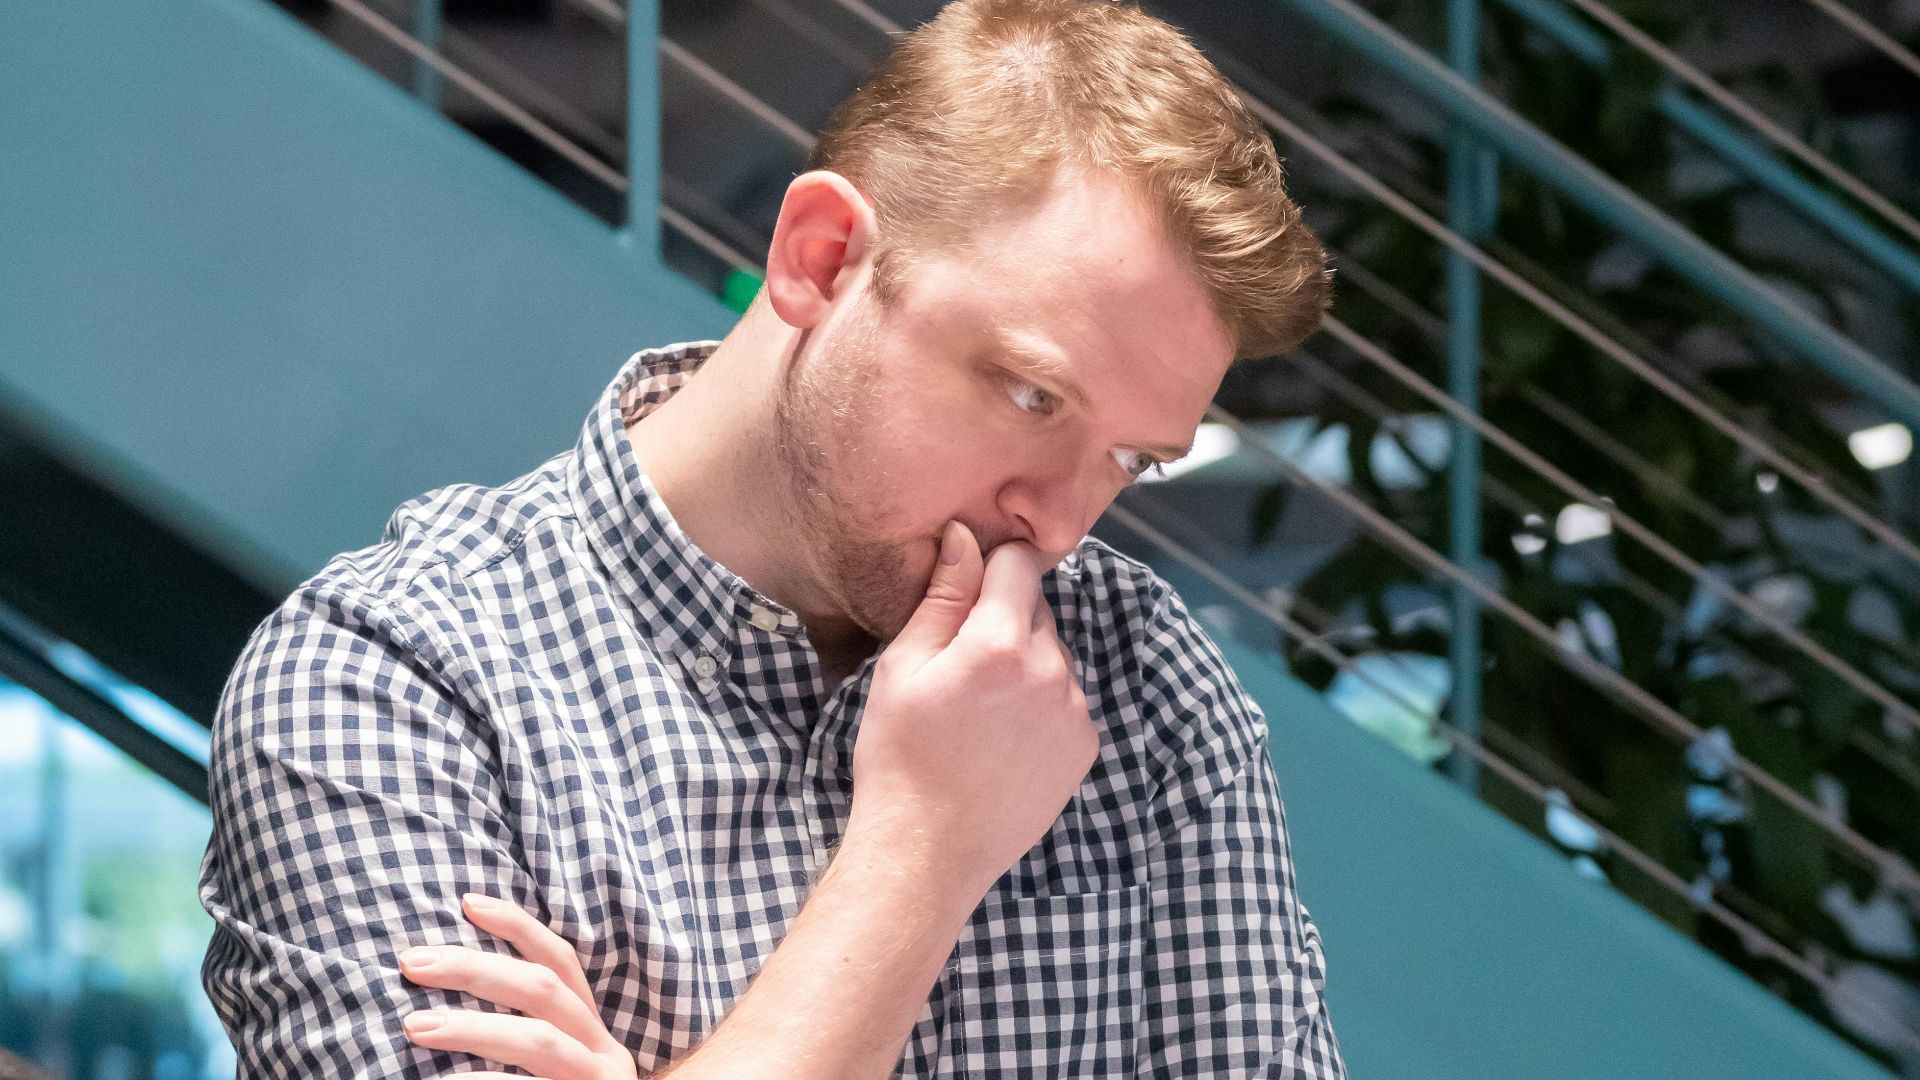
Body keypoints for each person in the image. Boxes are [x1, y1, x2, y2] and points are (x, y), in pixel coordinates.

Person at [197, 0, 1341, 1076]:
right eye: (1034, 396)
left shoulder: (1141, 680)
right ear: (822, 257)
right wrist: (924, 847)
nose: (1060, 523)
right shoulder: (389, 680)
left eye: (1131, 459)